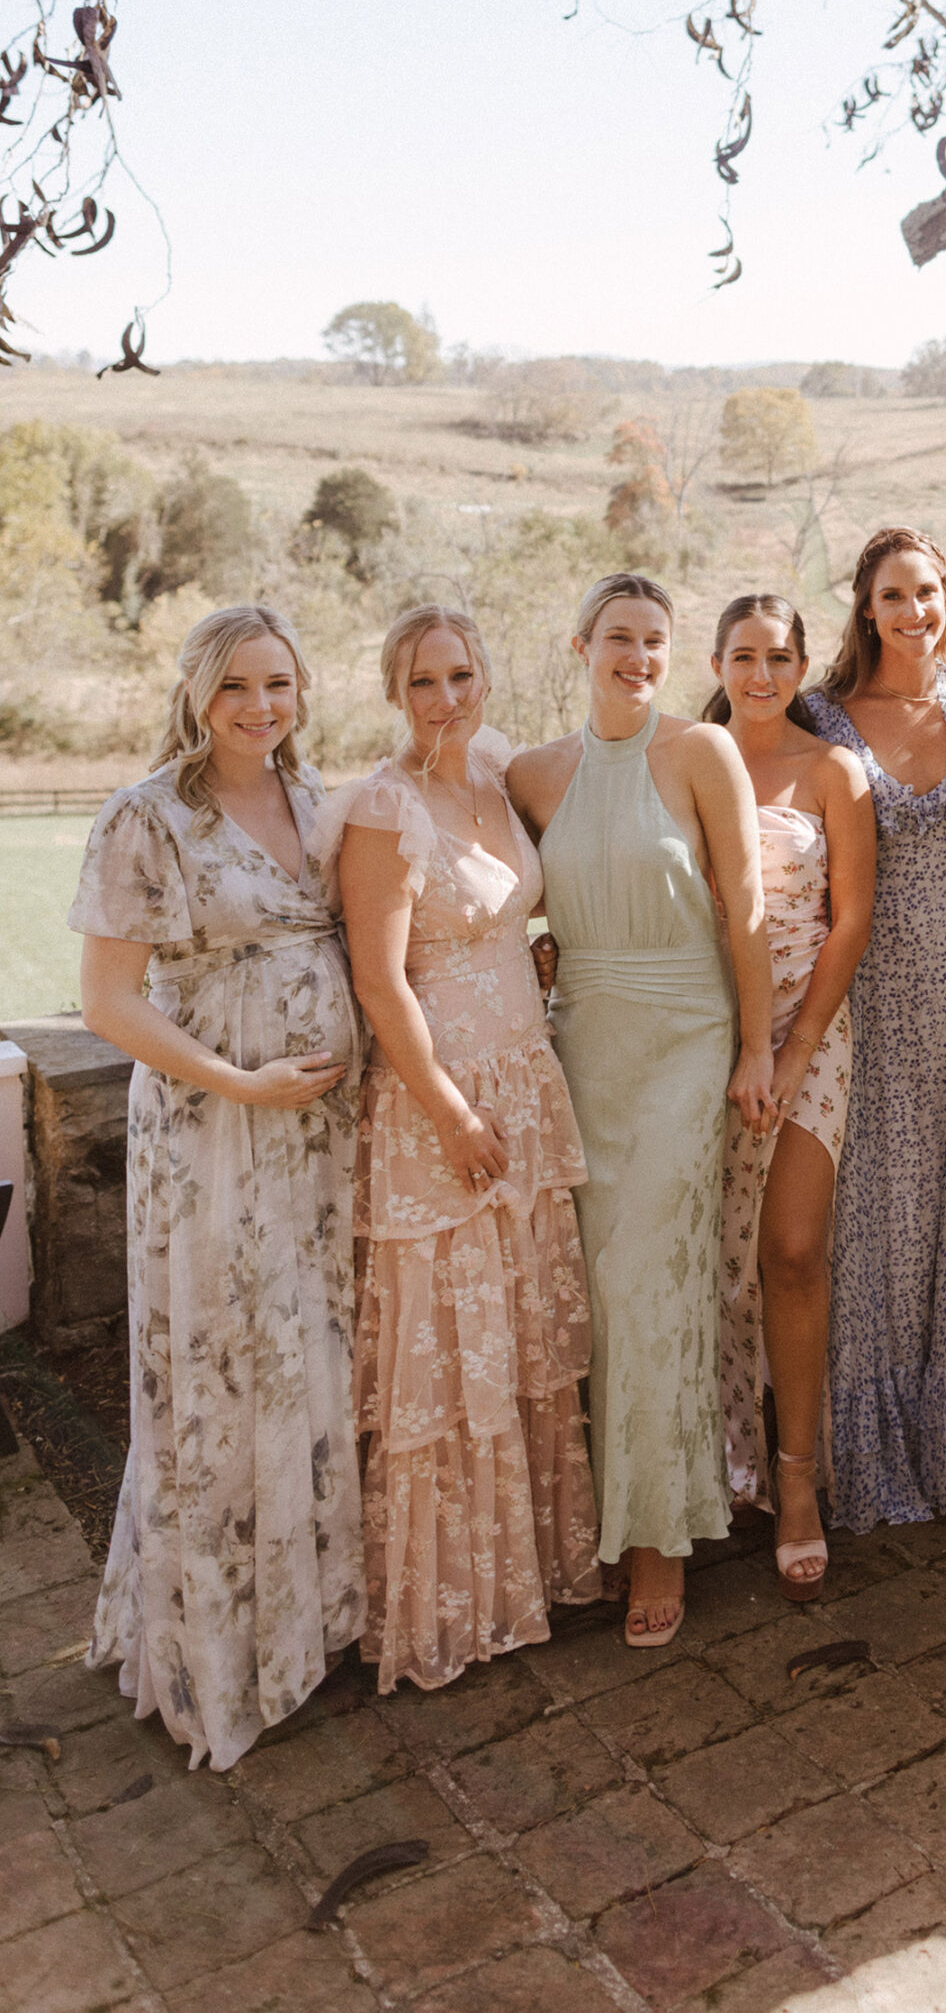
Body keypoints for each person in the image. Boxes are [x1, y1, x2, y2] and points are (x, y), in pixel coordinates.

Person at [73, 605, 362, 1769]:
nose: (260, 705)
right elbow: (106, 1001)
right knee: (222, 1365)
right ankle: (218, 1656)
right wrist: (239, 1082)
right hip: (213, 1134)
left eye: (280, 683)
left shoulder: (319, 801)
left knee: (312, 1358)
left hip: (320, 1138)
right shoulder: (146, 817)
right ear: (199, 692)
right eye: (237, 684)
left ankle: (310, 1632)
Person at [328, 606, 602, 1689]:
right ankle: (450, 1606)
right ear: (395, 692)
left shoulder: (495, 771)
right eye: (423, 682)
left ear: (487, 678)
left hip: (525, 1083)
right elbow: (380, 978)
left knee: (524, 1328)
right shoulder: (382, 808)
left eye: (462, 675)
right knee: (452, 1341)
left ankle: (527, 1574)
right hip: (441, 1099)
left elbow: (508, 910)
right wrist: (446, 1109)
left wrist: (525, 959)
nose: (447, 699)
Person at [508, 574, 773, 1646]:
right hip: (582, 1046)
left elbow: (744, 911)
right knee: (593, 1291)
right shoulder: (529, 774)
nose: (637, 656)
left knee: (649, 1281)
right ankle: (595, 1524)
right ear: (580, 644)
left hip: (685, 1039)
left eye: (655, 641)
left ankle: (660, 1537)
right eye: (619, 637)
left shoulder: (703, 754)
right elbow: (484, 895)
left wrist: (757, 1047)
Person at [803, 526, 946, 1533]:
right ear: (866, 609)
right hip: (863, 997)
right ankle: (866, 1457)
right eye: (892, 595)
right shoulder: (820, 716)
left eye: (927, 590)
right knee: (869, 1216)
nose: (913, 610)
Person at [704, 595, 875, 1597]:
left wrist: (796, 1044)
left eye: (778, 657)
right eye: (743, 656)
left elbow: (851, 919)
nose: (761, 674)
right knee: (708, 1257)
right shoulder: (684, 757)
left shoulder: (830, 770)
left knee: (792, 1250)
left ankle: (798, 1477)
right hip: (705, 1034)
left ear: (803, 663)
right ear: (718, 663)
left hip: (811, 1029)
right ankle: (718, 1465)